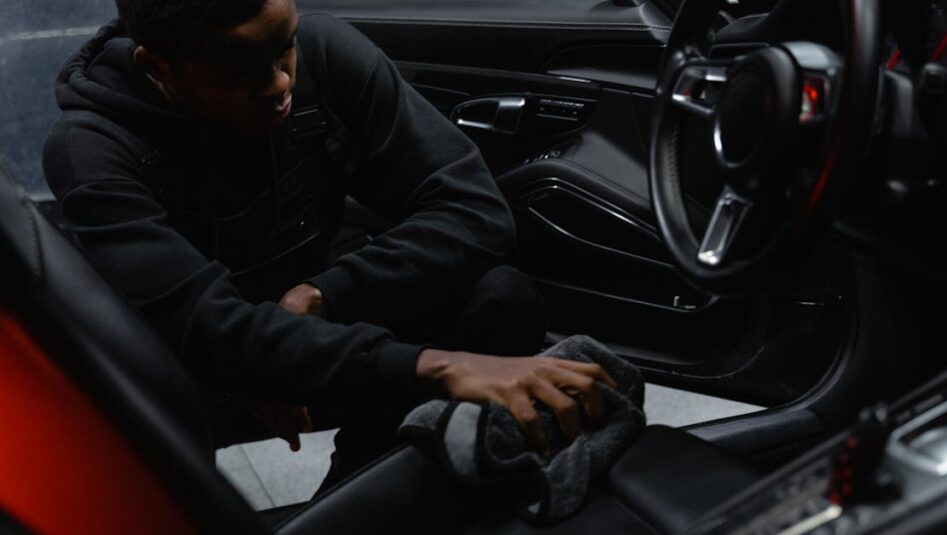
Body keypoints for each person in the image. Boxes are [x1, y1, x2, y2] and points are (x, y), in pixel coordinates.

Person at [44, 0, 614, 491]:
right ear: (158, 67)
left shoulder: (323, 51)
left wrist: (323, 296)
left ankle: (356, 495)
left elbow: (477, 210)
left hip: (310, 325)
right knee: (112, 415)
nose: (279, 84)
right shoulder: (92, 149)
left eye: (283, 49)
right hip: (196, 369)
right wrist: (439, 367)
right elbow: (207, 330)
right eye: (240, 72)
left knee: (502, 298)